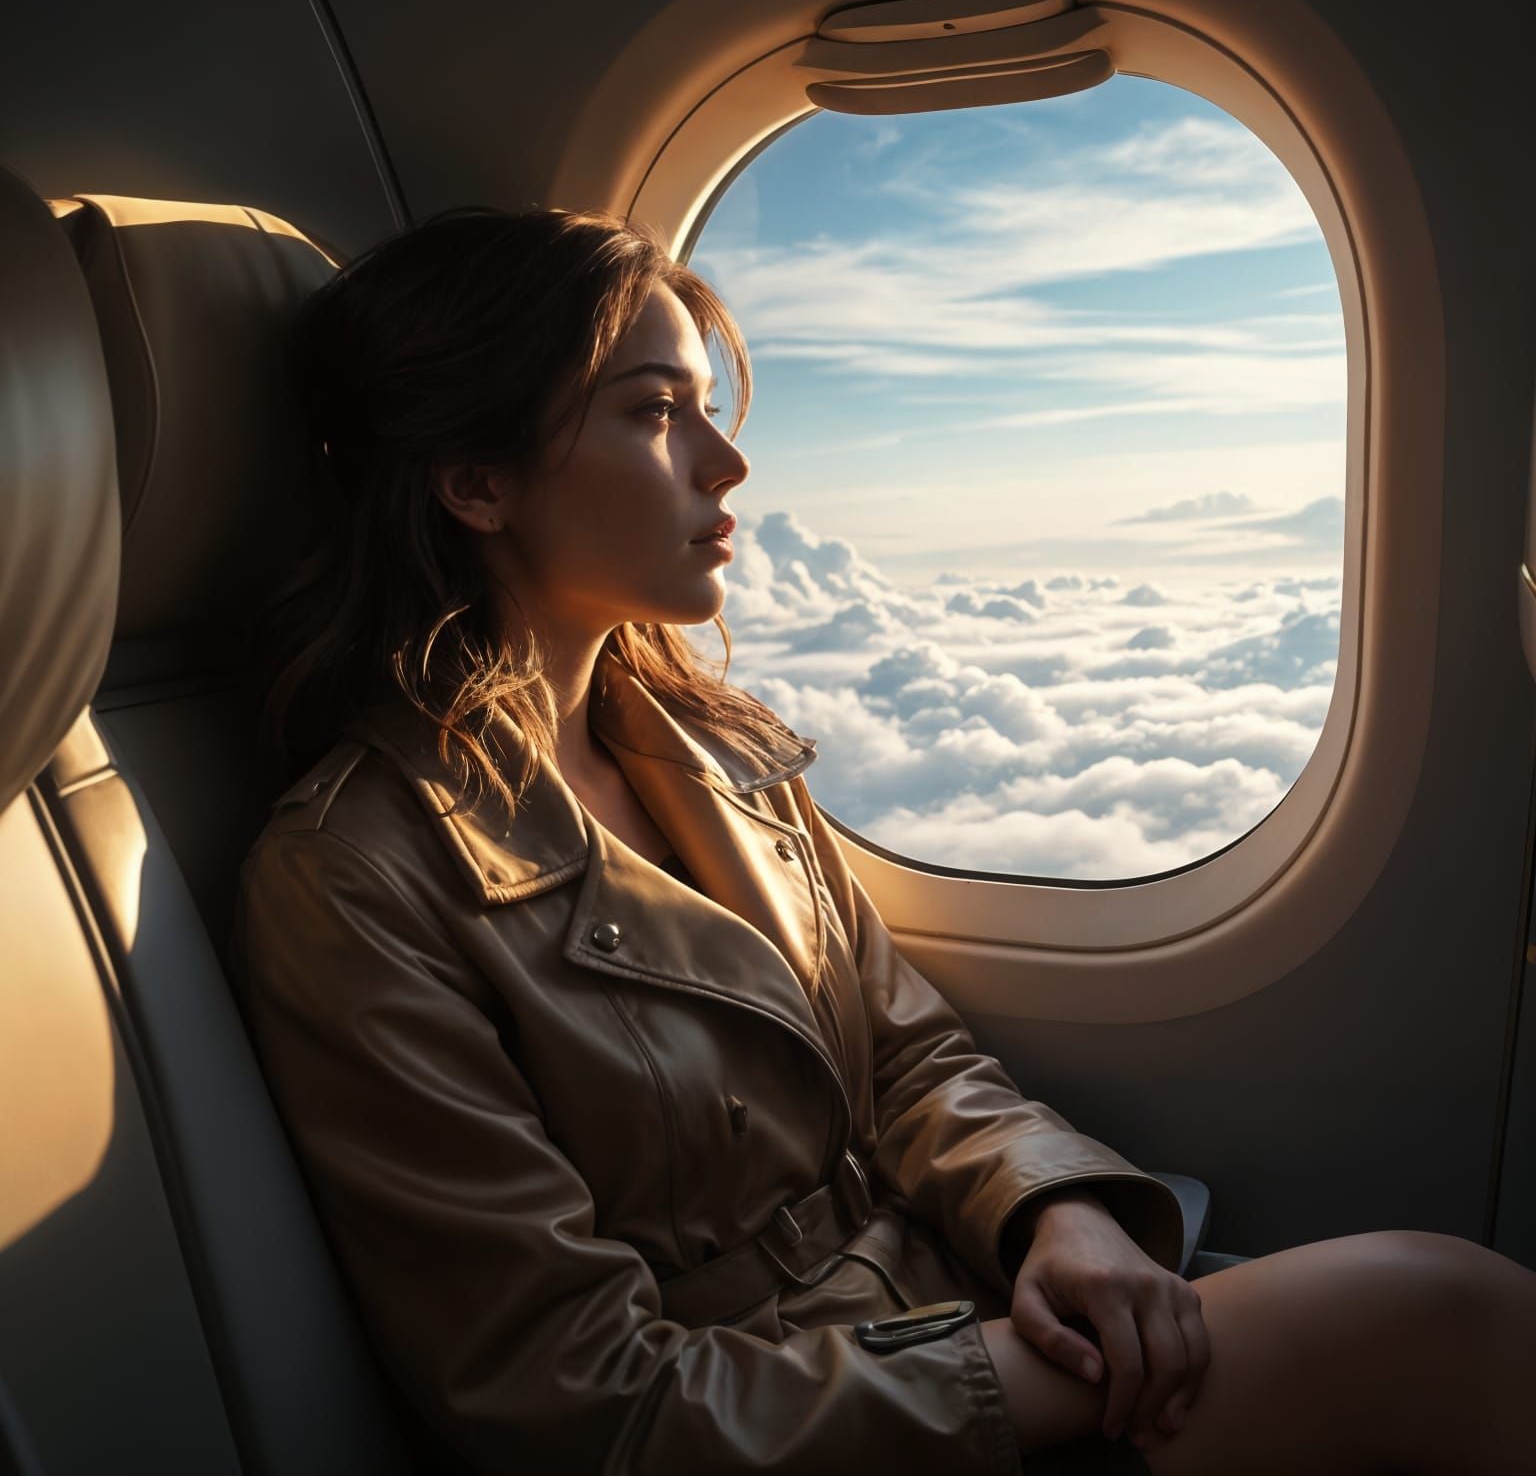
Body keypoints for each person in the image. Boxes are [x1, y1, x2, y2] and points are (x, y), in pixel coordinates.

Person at [228, 206, 1536, 1476]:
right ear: (476, 482)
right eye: (651, 412)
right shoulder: (351, 882)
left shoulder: (713, 748)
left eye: (705, 410)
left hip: (941, 1312)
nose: (725, 465)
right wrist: (1031, 1381)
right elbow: (584, 1406)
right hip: (805, 1416)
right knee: (1444, 1318)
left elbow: (906, 1057)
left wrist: (1056, 1212)